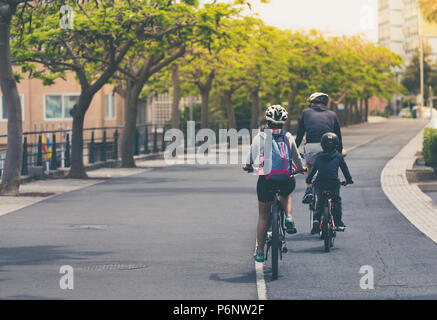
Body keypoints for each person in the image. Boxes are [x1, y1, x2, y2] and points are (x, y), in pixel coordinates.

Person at [243, 105, 305, 263]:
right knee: (287, 192)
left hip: (266, 180)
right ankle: (289, 217)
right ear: (283, 122)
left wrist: (248, 166)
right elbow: (296, 158)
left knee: (263, 215)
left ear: (267, 120)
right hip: (285, 179)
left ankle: (259, 251)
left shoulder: (261, 137)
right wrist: (300, 168)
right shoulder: (288, 136)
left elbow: (250, 158)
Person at [295, 92, 346, 204]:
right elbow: (338, 136)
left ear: (312, 103)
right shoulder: (332, 114)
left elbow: (299, 135)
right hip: (329, 148)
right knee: (333, 164)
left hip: (311, 148)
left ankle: (308, 189)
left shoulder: (305, 113)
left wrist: (292, 150)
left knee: (309, 165)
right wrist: (340, 151)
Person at [305, 132, 353, 233]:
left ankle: (316, 219)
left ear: (322, 145)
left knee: (320, 202)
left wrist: (308, 180)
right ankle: (338, 222)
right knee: (336, 201)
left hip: (320, 183)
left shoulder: (318, 157)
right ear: (336, 144)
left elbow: (313, 171)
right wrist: (349, 180)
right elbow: (345, 170)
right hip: (333, 184)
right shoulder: (339, 157)